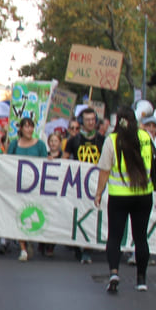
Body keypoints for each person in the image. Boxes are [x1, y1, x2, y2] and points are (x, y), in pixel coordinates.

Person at [94, 106, 156, 293]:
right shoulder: (146, 137)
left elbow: (105, 170)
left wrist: (99, 192)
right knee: (141, 238)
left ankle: (114, 272)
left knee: (115, 236)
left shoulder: (111, 141)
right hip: (143, 195)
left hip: (119, 196)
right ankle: (141, 279)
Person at [64, 107, 105, 264]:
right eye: (87, 120)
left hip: (96, 184)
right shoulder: (74, 140)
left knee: (93, 215)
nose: (90, 122)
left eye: (93, 120)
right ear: (82, 122)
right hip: (78, 184)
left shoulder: (103, 140)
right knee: (78, 214)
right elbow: (65, 159)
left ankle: (87, 249)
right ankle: (77, 245)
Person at [7, 117, 48, 261]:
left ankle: (29, 238)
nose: (29, 129)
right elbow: (7, 163)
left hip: (35, 187)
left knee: (32, 211)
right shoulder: (14, 144)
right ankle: (22, 247)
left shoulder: (40, 145)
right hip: (18, 187)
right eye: (26, 126)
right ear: (21, 129)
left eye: (31, 126)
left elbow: (45, 164)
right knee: (19, 213)